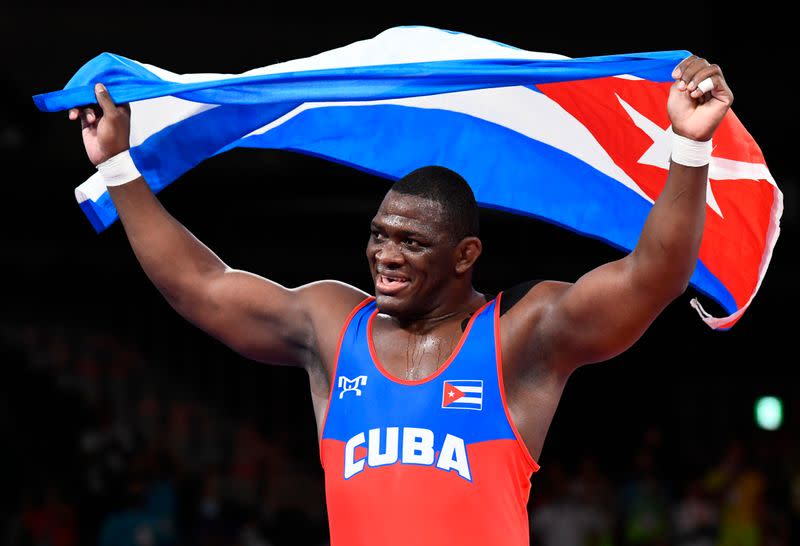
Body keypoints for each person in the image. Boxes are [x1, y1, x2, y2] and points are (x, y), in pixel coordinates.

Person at [68, 54, 733, 545]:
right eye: (379, 236)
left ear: (464, 256)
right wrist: (118, 168)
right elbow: (202, 287)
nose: (384, 255)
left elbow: (653, 277)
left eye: (411, 242)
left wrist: (689, 146)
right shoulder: (332, 326)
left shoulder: (516, 338)